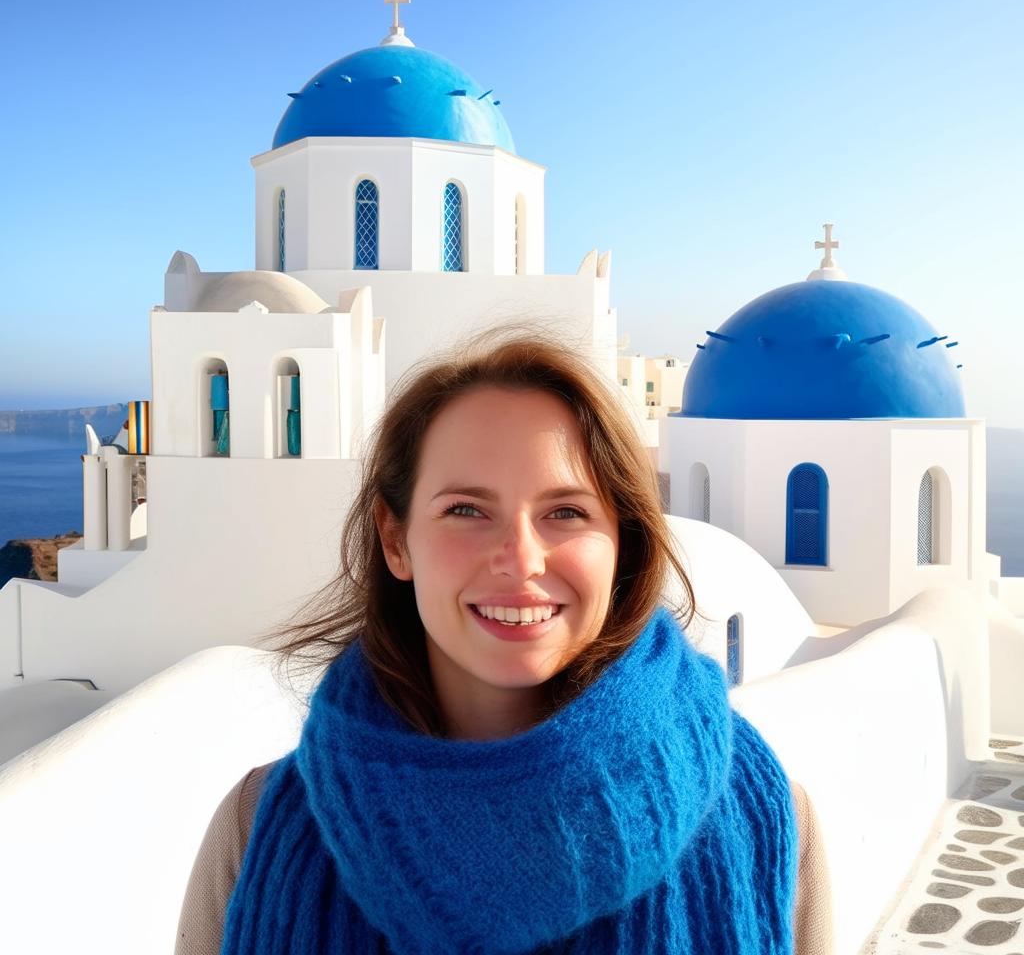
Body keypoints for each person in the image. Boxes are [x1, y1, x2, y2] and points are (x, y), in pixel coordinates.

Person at [176, 329, 832, 954]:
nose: (520, 560)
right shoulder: (258, 825)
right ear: (396, 538)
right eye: (466, 509)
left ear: (622, 543)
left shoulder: (764, 817)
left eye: (566, 512)